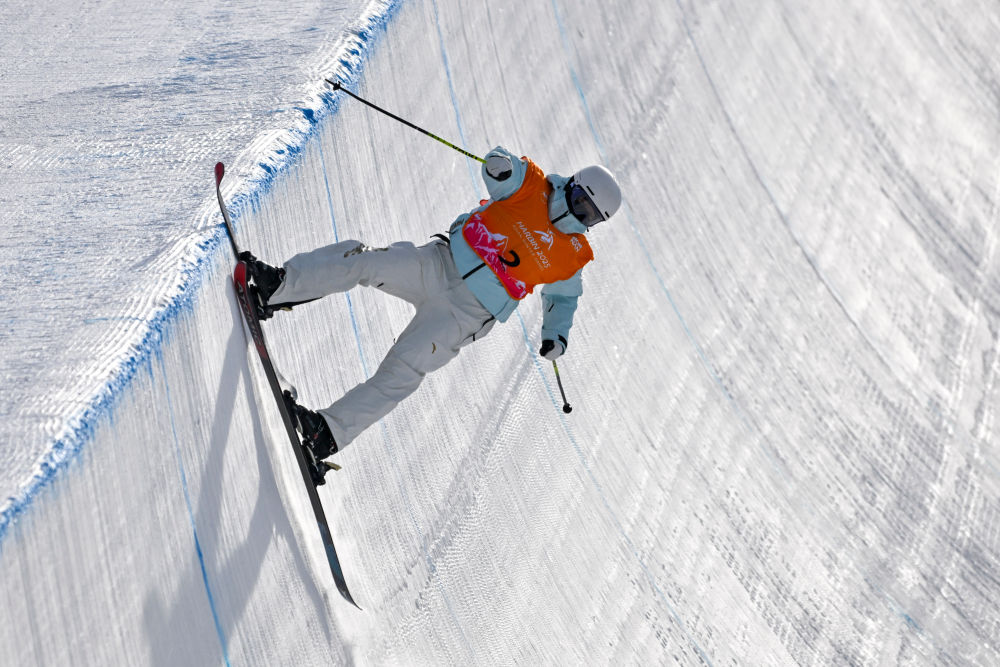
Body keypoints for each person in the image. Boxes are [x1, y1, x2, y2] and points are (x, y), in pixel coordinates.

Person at [239, 146, 622, 484]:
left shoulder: (573, 255)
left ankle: (326, 434)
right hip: (438, 262)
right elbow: (500, 169)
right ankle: (278, 288)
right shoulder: (532, 185)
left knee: (403, 371)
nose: (578, 212)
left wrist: (556, 335)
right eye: (578, 199)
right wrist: (499, 164)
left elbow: (563, 299)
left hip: (468, 313)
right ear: (571, 184)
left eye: (590, 215)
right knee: (366, 260)